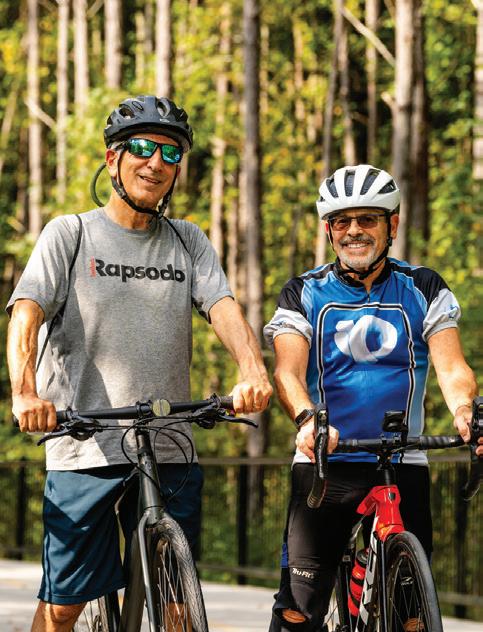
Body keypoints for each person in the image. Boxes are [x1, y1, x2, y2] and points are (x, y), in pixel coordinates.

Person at [6, 94, 272, 632]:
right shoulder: (70, 234)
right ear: (113, 159)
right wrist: (25, 390)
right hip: (85, 445)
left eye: (170, 153)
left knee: (177, 608)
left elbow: (223, 307)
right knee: (64, 607)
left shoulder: (187, 241)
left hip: (169, 445)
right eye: (143, 148)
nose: (156, 162)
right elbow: (26, 313)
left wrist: (253, 370)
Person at [263, 164, 480, 631]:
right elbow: (287, 371)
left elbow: (452, 368)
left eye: (368, 219)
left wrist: (464, 411)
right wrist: (307, 419)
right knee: (299, 609)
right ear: (329, 230)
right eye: (342, 221)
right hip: (326, 461)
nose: (354, 230)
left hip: (402, 460)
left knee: (412, 616)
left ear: (392, 225)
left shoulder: (423, 287)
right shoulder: (304, 292)